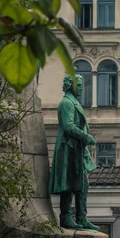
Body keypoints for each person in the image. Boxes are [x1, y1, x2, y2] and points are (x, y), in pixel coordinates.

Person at [48, 74, 98, 230]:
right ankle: (66, 216)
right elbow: (68, 126)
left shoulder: (74, 102)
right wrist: (86, 136)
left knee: (83, 183)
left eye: (82, 84)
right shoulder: (66, 103)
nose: (82, 87)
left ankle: (81, 217)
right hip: (67, 147)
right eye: (79, 84)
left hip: (76, 149)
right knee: (68, 183)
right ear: (71, 85)